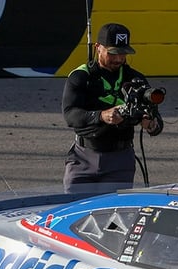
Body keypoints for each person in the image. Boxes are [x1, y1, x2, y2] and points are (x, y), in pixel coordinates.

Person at [62, 23, 162, 193]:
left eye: (123, 53)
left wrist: (151, 124)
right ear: (98, 48)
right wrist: (102, 116)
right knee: (75, 213)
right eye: (113, 53)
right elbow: (70, 115)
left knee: (114, 216)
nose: (118, 59)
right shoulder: (81, 77)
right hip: (84, 157)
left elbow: (156, 121)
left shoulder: (136, 79)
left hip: (120, 160)